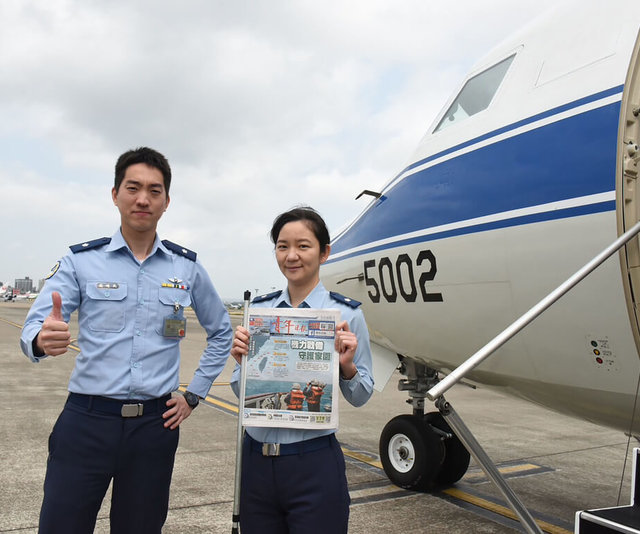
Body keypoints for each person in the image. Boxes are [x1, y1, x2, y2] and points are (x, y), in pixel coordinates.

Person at [19, 147, 232, 534]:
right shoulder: (80, 261)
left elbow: (221, 331)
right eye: (133, 187)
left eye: (155, 190)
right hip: (87, 422)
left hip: (155, 427)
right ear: (115, 193)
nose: (143, 198)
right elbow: (35, 325)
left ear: (166, 202)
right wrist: (41, 340)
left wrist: (194, 394)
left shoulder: (187, 267)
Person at [230, 206, 374, 533]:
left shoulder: (345, 315)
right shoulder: (260, 312)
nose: (291, 255)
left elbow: (362, 394)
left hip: (314, 463)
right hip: (256, 464)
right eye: (282, 246)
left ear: (324, 253)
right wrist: (243, 364)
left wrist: (347, 367)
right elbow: (242, 393)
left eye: (303, 246)